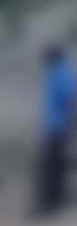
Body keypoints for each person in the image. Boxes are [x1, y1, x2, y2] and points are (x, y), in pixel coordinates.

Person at [33, 45, 77, 215]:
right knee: (55, 166)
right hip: (54, 127)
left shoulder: (60, 74)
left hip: (56, 129)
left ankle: (48, 203)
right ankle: (53, 200)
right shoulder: (56, 73)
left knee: (50, 167)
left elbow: (71, 101)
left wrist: (70, 125)